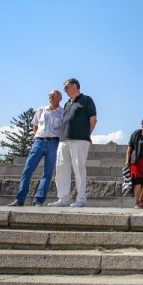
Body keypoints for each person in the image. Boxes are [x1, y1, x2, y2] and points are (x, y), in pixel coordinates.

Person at [7, 90, 64, 207]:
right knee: (27, 170)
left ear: (60, 98)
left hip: (54, 143)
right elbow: (35, 125)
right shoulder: (41, 110)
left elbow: (64, 128)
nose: (50, 96)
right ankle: (20, 199)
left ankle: (38, 200)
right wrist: (36, 136)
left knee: (47, 173)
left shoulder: (63, 112)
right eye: (49, 95)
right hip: (39, 141)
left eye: (54, 95)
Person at [48, 78, 96, 208]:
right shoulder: (67, 104)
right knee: (61, 168)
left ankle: (81, 198)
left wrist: (87, 134)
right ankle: (64, 198)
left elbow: (93, 119)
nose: (64, 89)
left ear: (75, 86)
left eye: (67, 87)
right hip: (64, 140)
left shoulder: (87, 99)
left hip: (80, 139)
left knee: (79, 168)